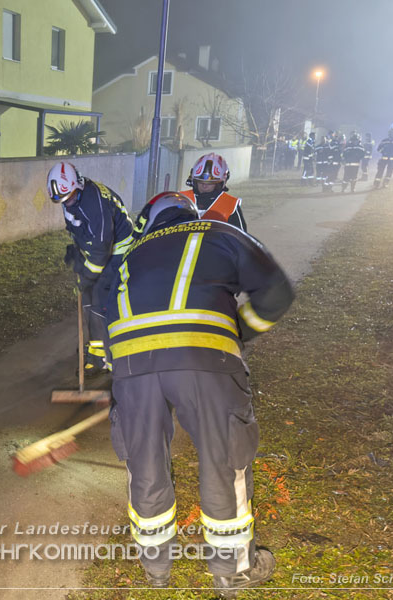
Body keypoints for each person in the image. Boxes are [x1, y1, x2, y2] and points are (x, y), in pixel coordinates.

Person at [104, 191, 294, 595]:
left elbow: (106, 320)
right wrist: (236, 332)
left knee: (145, 465)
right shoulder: (219, 231)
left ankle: (156, 570)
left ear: (149, 223)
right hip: (205, 361)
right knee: (223, 460)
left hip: (131, 368)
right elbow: (277, 292)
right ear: (188, 215)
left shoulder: (127, 256)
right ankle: (233, 571)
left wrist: (123, 375)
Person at [47, 162, 134, 373]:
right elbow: (80, 228)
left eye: (69, 198)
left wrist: (86, 276)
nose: (66, 203)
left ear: (78, 186)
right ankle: (95, 347)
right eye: (61, 200)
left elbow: (101, 248)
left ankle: (102, 359)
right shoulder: (72, 197)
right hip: (100, 252)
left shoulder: (95, 204)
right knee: (87, 300)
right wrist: (76, 251)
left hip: (118, 254)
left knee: (99, 303)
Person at [178, 153, 247, 231]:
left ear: (220, 183)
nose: (204, 186)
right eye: (200, 182)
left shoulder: (231, 205)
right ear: (194, 181)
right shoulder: (180, 199)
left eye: (210, 183)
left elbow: (240, 237)